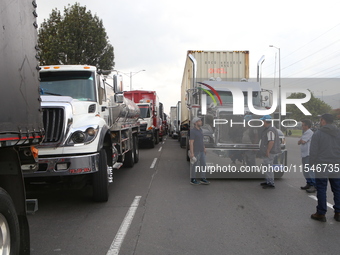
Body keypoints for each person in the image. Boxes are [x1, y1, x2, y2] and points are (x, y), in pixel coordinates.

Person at [309, 113, 340, 222]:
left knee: (321, 188)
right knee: (337, 189)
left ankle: (321, 213)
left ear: (323, 121)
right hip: (336, 164)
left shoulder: (318, 134)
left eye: (321, 120)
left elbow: (313, 151)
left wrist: (311, 164)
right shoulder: (338, 132)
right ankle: (338, 212)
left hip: (322, 165)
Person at [259, 115, 281, 189]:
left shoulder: (270, 130)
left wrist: (268, 151)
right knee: (267, 166)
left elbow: (271, 141)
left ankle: (270, 182)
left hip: (270, 151)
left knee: (268, 167)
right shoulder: (270, 129)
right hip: (270, 151)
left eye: (263, 121)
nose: (262, 122)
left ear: (265, 121)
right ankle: (268, 180)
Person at [189, 117, 210, 185]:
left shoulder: (200, 130)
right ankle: (193, 179)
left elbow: (202, 140)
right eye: (199, 121)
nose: (201, 122)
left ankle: (203, 178)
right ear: (195, 123)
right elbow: (191, 142)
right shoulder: (192, 131)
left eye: (200, 121)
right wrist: (192, 153)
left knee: (203, 165)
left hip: (201, 150)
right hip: (196, 151)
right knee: (194, 165)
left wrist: (204, 148)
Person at [298, 119, 316, 193]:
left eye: (303, 125)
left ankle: (314, 185)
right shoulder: (305, 132)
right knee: (305, 170)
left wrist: (300, 141)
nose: (302, 126)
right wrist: (300, 141)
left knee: (309, 170)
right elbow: (299, 142)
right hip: (304, 154)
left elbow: (302, 141)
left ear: (307, 126)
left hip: (308, 154)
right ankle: (308, 183)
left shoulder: (309, 132)